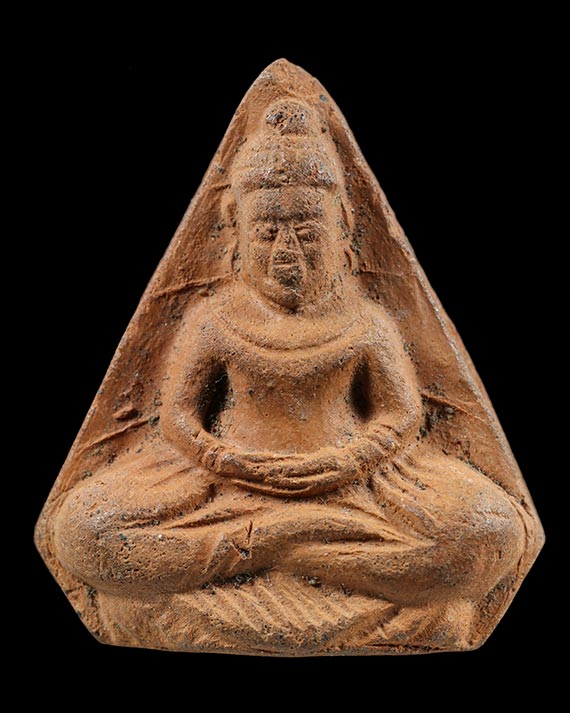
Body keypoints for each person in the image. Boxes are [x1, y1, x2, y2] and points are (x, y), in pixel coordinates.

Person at [53, 99, 529, 653]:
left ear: (343, 229)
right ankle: (295, 554)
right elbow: (179, 417)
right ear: (235, 233)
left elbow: (401, 415)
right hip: (228, 489)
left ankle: (287, 558)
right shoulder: (214, 319)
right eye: (267, 233)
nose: (287, 250)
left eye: (306, 231)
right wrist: (223, 459)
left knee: (492, 533)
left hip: (353, 490)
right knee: (82, 530)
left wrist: (349, 461)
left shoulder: (366, 321)